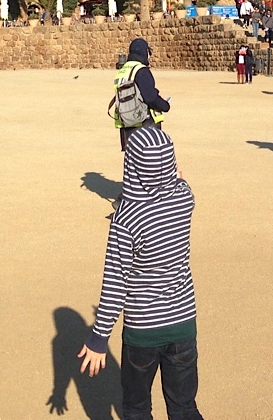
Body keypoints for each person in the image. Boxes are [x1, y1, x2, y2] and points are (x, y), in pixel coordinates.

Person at [77, 127, 205, 420]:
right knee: (184, 407)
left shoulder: (126, 218)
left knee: (136, 408)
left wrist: (99, 338)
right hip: (183, 324)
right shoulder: (184, 199)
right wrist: (172, 176)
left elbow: (115, 283)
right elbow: (181, 182)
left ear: (131, 165)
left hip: (143, 331)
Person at [113, 38, 171, 150]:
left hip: (126, 124)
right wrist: (165, 105)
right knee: (150, 157)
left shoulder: (122, 71)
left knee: (132, 158)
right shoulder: (141, 70)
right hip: (144, 124)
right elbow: (150, 97)